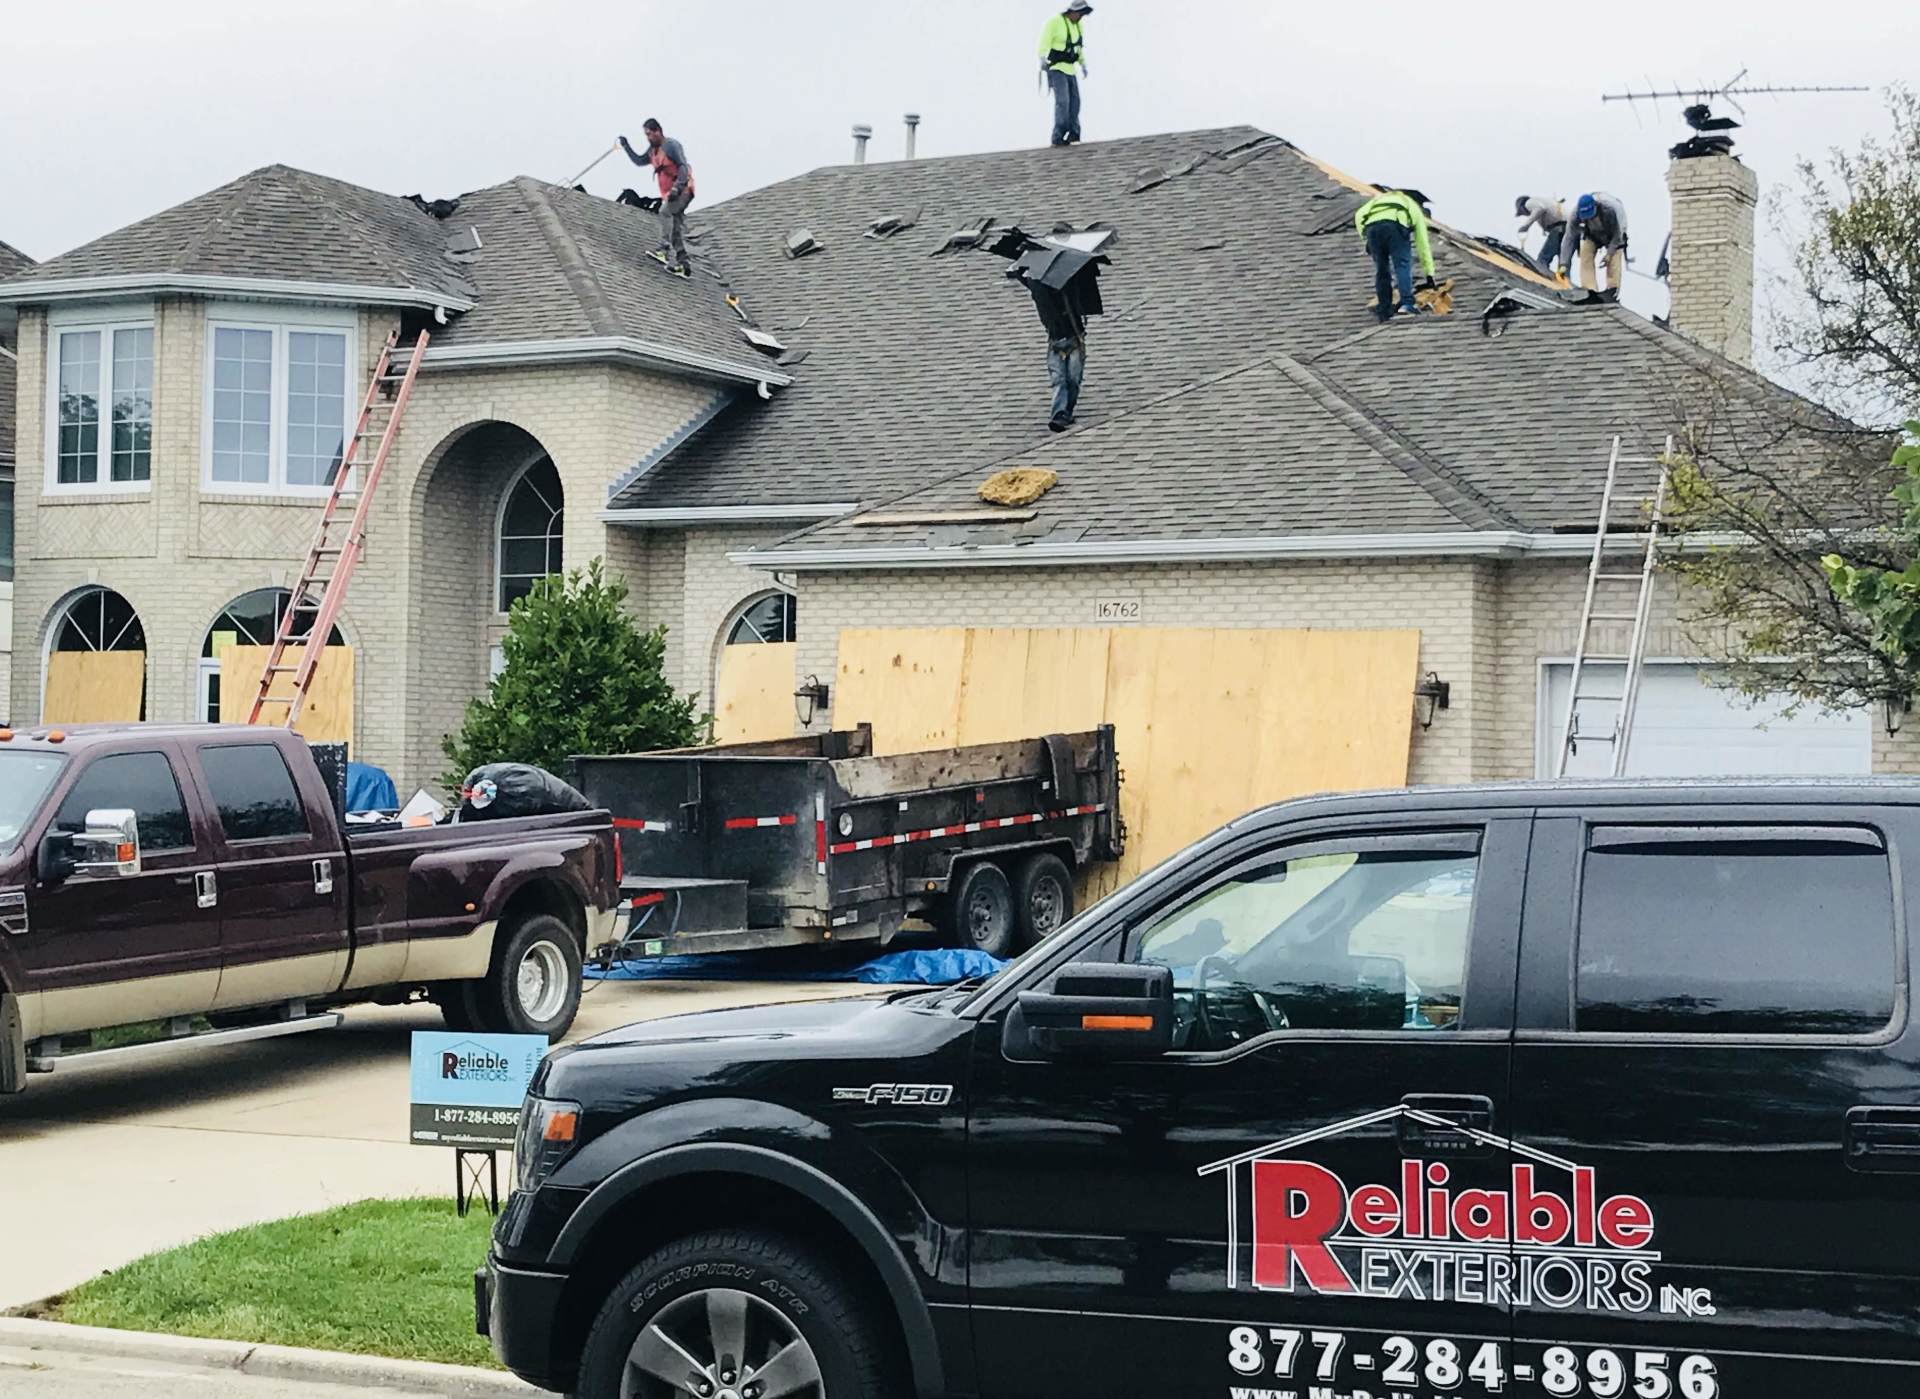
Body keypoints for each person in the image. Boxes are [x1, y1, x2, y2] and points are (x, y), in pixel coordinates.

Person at [619, 121, 695, 276]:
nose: (648, 138)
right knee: (675, 227)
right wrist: (626, 146)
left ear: (658, 131)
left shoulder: (671, 146)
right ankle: (683, 264)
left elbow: (683, 166)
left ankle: (663, 250)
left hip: (683, 190)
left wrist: (677, 187)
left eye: (649, 134)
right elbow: (639, 161)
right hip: (671, 193)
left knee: (664, 212)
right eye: (646, 134)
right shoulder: (653, 151)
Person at [1354, 188, 1436, 322]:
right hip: (1394, 227)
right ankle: (1407, 304)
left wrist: (1365, 238)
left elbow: (1359, 215)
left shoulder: (1379, 199)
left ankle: (1384, 309)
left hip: (1372, 229)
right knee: (1402, 265)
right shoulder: (1412, 206)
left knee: (1382, 270)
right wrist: (1429, 274)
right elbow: (1423, 244)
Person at [1559, 191, 1629, 302]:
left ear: (1596, 206)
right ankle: (1589, 289)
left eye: (1591, 215)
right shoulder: (1575, 214)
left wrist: (1608, 255)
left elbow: (1617, 237)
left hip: (1613, 235)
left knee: (1614, 260)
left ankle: (1612, 291)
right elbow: (1569, 238)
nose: (1589, 219)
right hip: (1592, 234)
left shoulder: (1609, 211)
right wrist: (1563, 263)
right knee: (1585, 253)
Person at [1039, 3, 1092, 147]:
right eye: (1079, 13)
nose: (1080, 17)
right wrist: (1042, 57)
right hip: (1057, 69)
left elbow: (1078, 48)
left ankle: (1074, 134)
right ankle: (1058, 136)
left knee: (1075, 102)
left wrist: (1083, 64)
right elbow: (1045, 39)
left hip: (1071, 69)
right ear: (1072, 12)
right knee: (1063, 102)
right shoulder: (1055, 22)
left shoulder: (1078, 26)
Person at [1515, 194, 1569, 275]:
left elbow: (1540, 209)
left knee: (1543, 258)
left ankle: (1541, 275)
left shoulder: (1529, 203)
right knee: (1563, 261)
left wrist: (1526, 226)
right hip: (1568, 230)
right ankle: (1565, 278)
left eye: (1521, 212)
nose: (1524, 214)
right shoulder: (1543, 202)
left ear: (1522, 206)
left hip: (1559, 229)